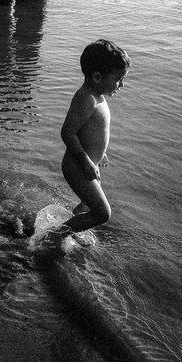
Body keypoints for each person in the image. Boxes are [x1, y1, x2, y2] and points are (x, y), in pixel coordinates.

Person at [60, 39, 131, 236]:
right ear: (97, 77)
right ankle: (56, 235)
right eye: (118, 78)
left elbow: (91, 131)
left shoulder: (98, 97)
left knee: (86, 207)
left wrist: (101, 153)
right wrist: (85, 161)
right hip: (78, 166)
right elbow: (68, 132)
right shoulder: (86, 98)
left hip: (90, 163)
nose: (122, 84)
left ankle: (72, 230)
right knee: (102, 213)